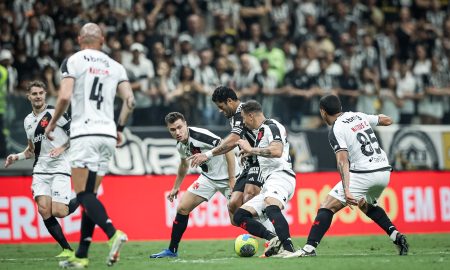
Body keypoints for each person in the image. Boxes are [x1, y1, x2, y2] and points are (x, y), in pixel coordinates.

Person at [44, 23, 135, 268]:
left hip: (85, 133)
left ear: (79, 38)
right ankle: (82, 256)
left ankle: (113, 233)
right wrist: (119, 128)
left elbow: (64, 96)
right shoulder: (116, 66)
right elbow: (130, 100)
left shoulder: (73, 60)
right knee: (90, 197)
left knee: (83, 194)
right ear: (102, 41)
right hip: (107, 134)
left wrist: (52, 124)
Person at [285, 94, 409, 258]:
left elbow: (343, 162)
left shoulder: (336, 129)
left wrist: (347, 190)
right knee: (367, 205)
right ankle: (396, 236)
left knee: (327, 206)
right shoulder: (357, 115)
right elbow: (387, 120)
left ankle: (309, 249)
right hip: (384, 171)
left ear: (323, 112)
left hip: (365, 173)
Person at [4, 80, 79, 258]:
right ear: (28, 96)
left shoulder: (55, 112)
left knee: (59, 212)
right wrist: (17, 157)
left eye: (40, 93)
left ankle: (83, 198)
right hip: (40, 169)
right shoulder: (28, 121)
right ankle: (67, 250)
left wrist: (61, 148)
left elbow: (75, 134)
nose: (38, 96)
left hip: (60, 166)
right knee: (44, 210)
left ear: (45, 94)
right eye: (34, 94)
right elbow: (31, 150)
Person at [150, 112, 239, 258]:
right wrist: (176, 187)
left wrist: (232, 179)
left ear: (185, 124)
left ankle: (272, 237)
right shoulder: (180, 145)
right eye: (173, 130)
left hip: (228, 177)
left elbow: (228, 148)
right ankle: (172, 250)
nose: (177, 132)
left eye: (179, 127)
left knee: (236, 220)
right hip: (208, 178)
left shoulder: (199, 135)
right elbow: (184, 165)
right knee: (182, 208)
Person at [189, 86, 273, 231]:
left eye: (221, 106)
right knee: (234, 205)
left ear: (229, 101)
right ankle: (269, 232)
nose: (220, 111)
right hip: (248, 164)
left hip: (260, 162)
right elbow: (239, 140)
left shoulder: (242, 113)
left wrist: (207, 154)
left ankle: (274, 237)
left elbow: (234, 139)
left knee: (249, 200)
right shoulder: (235, 117)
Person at [233, 100, 296, 258]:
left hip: (281, 176)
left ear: (251, 116)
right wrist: (251, 153)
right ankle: (273, 239)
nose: (244, 123)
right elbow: (265, 150)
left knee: (271, 207)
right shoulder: (262, 130)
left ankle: (288, 248)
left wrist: (250, 149)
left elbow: (277, 151)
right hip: (270, 180)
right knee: (240, 215)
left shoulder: (271, 126)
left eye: (244, 119)